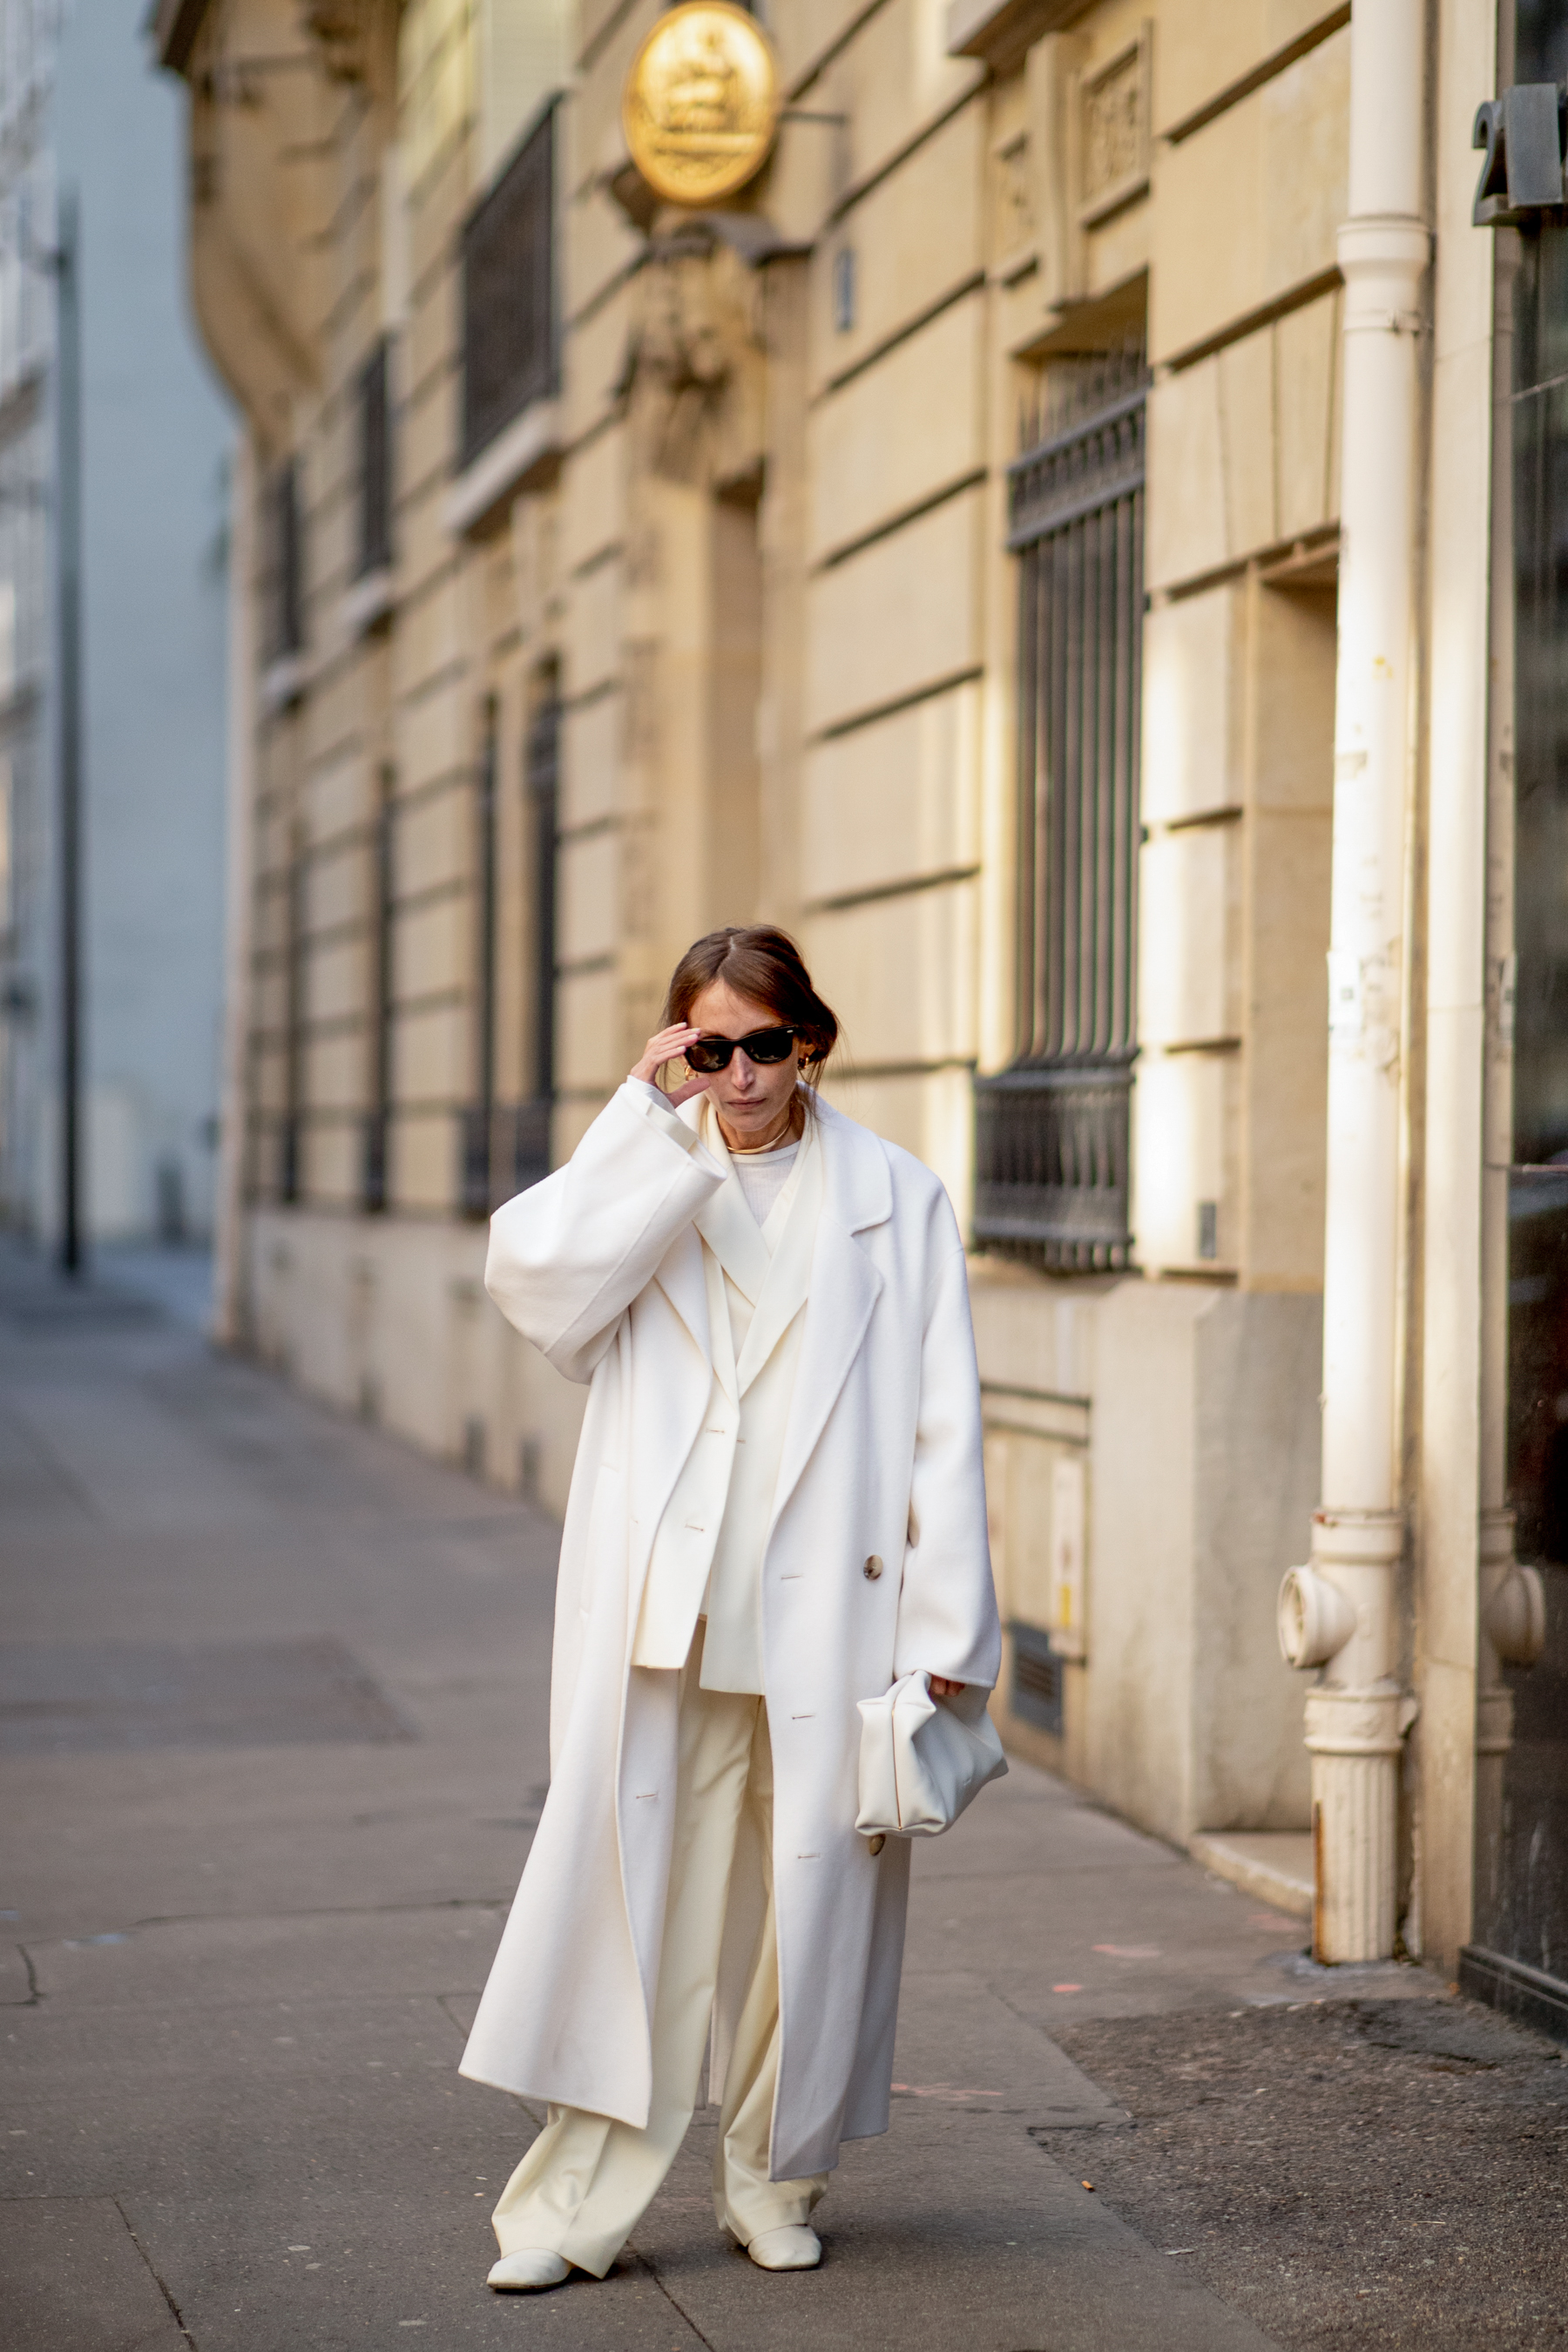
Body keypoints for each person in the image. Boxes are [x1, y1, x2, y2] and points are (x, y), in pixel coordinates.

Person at [460, 923, 1000, 2290]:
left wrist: (949, 1639)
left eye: (766, 1044)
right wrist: (641, 1119)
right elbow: (532, 1283)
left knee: (801, 1926)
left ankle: (774, 2180)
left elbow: (948, 1429)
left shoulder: (896, 1197)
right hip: (673, 1622)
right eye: (711, 1047)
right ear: (679, 1049)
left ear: (807, 1040)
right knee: (642, 1920)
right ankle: (574, 2211)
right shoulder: (652, 1178)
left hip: (837, 1623)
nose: (743, 1073)